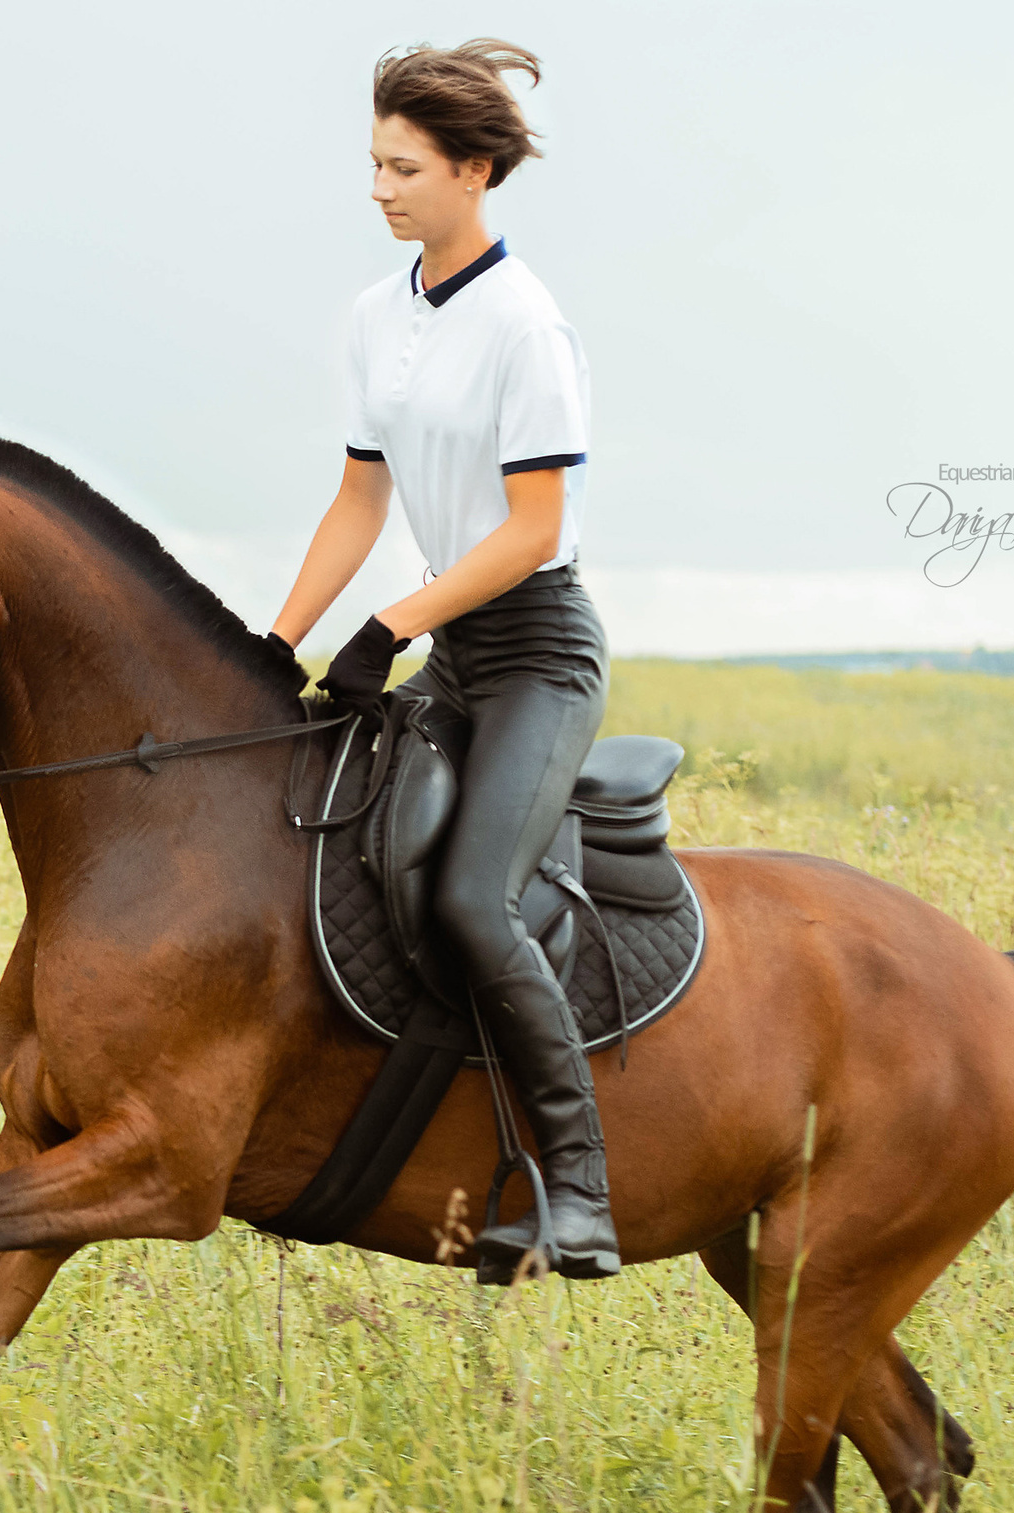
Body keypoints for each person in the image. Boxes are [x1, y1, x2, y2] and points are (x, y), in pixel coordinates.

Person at [267, 38, 616, 1280]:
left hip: (536, 655)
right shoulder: (378, 315)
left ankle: (580, 1189)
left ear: (474, 171)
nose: (379, 188)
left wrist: (392, 625)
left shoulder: (531, 329)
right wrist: (278, 640)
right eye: (373, 164)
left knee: (471, 896)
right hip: (453, 650)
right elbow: (357, 501)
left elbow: (532, 534)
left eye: (403, 167)